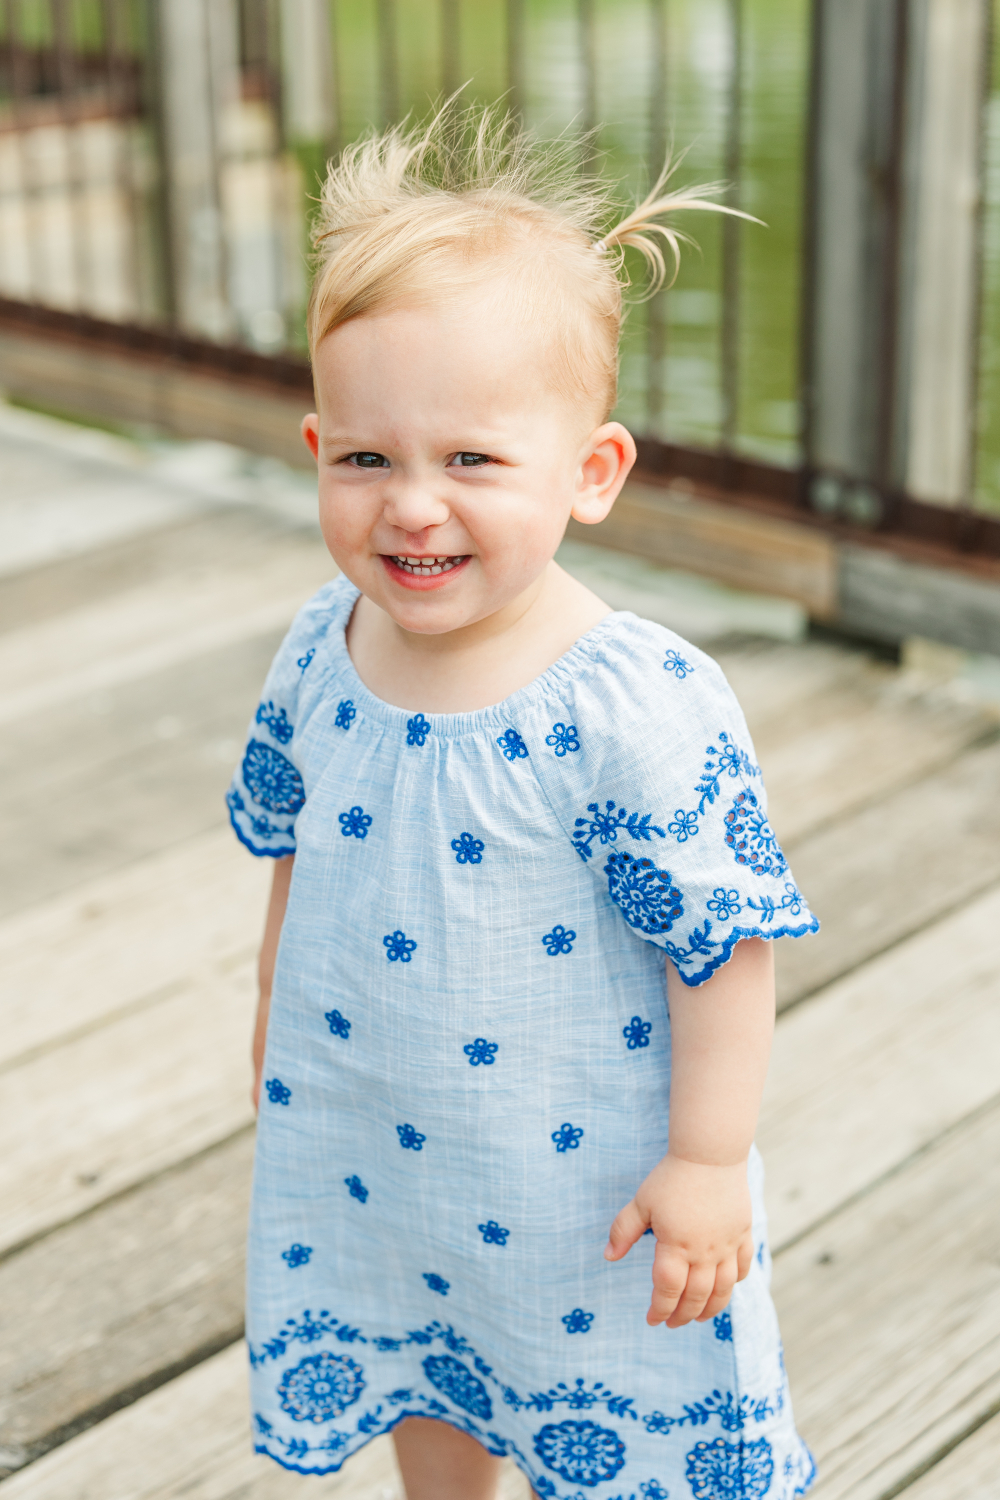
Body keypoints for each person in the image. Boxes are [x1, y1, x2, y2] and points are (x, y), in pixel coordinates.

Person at [227, 104, 819, 1500]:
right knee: (428, 1357)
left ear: (590, 473)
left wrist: (708, 1159)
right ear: (318, 446)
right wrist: (271, 1037)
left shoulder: (628, 707)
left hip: (590, 1183)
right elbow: (295, 865)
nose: (411, 508)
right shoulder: (324, 648)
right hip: (381, 1140)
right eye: (366, 459)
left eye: (472, 462)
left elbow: (725, 942)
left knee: (609, 1400)